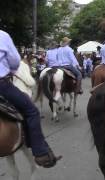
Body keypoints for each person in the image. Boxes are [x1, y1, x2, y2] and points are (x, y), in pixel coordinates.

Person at [0, 30, 60, 168]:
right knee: (32, 111)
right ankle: (40, 152)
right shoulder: (2, 35)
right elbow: (15, 61)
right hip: (2, 84)